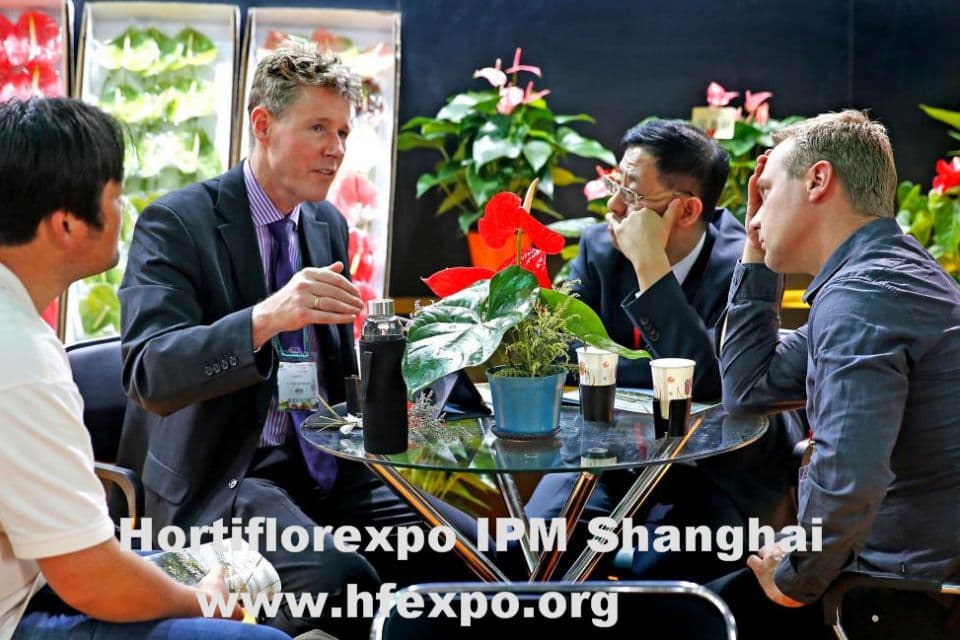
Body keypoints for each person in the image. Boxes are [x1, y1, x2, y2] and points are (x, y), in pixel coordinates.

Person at [115, 48, 473, 638]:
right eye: (318, 128)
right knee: (342, 581)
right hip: (226, 477)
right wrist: (265, 317)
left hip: (324, 466)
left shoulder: (327, 223)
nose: (336, 149)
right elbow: (150, 373)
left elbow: (333, 375)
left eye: (343, 132)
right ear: (263, 124)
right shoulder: (175, 223)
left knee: (474, 553)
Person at [0, 98, 288, 640]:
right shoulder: (23, 361)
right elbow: (91, 578)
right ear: (66, 223)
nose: (124, 211)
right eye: (114, 197)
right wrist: (202, 601)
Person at [713, 110, 960, 639]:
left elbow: (850, 476)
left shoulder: (863, 297)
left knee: (695, 613)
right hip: (899, 568)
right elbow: (749, 387)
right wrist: (755, 248)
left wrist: (795, 576)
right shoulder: (882, 275)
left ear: (818, 180)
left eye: (767, 192)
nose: (754, 215)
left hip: (899, 594)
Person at [525, 120, 803, 582]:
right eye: (616, 185)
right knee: (538, 549)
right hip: (609, 458)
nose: (614, 207)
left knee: (660, 585)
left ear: (687, 209)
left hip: (713, 468)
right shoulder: (600, 247)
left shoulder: (746, 263)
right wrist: (659, 370)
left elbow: (714, 384)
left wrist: (651, 266)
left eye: (631, 193)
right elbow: (566, 352)